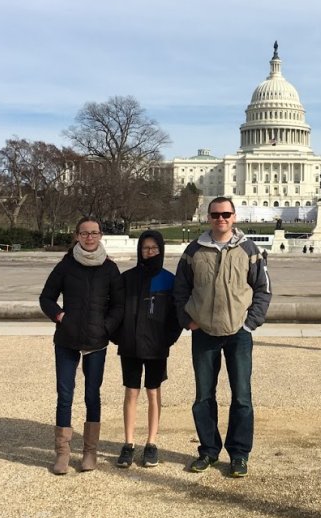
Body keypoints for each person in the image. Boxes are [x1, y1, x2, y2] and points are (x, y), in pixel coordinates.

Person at [174, 197, 271, 478]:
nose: (221, 219)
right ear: (209, 217)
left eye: (226, 214)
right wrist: (188, 321)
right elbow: (180, 290)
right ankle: (208, 450)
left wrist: (250, 324)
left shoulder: (250, 249)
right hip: (204, 331)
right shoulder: (194, 250)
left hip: (238, 333)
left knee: (242, 396)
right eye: (216, 214)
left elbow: (263, 289)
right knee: (204, 396)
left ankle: (239, 454)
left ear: (234, 216)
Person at [39, 217, 125, 475]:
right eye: (85, 233)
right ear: (77, 235)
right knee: (65, 395)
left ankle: (90, 451)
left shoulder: (109, 268)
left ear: (100, 236)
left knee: (92, 395)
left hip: (96, 340)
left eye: (94, 233)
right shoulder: (66, 265)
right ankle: (63, 452)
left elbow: (119, 305)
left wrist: (106, 327)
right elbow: (46, 298)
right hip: (67, 338)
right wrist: (61, 317)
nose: (89, 237)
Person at [112, 230, 181, 469]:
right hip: (130, 345)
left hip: (156, 346)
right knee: (131, 393)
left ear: (160, 250)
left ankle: (151, 443)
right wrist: (117, 336)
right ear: (139, 250)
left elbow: (176, 316)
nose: (149, 252)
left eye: (153, 248)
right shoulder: (127, 278)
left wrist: (168, 340)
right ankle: (129, 443)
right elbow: (115, 310)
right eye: (145, 248)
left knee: (153, 392)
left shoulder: (168, 280)